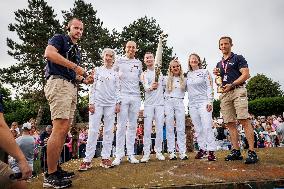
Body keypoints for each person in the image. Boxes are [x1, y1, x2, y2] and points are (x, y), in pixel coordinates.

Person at [44, 18, 93, 188]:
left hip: (70, 87)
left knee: (64, 130)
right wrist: (74, 67)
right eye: (76, 28)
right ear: (69, 28)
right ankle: (49, 176)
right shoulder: (60, 39)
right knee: (58, 128)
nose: (78, 31)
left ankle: (55, 169)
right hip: (58, 84)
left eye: (81, 29)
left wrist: (85, 79)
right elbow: (49, 53)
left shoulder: (77, 49)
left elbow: (74, 74)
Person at [213, 36, 258, 164]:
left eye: (226, 44)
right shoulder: (219, 64)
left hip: (238, 90)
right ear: (219, 47)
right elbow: (221, 81)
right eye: (221, 44)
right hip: (225, 94)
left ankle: (252, 152)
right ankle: (236, 151)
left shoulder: (238, 58)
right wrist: (217, 75)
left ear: (231, 45)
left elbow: (246, 74)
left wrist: (232, 84)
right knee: (230, 123)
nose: (223, 46)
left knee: (244, 119)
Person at [79, 48, 120, 171]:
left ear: (113, 59)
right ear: (103, 57)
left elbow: (118, 89)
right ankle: (87, 160)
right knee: (93, 130)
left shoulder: (115, 73)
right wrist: (91, 103)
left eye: (110, 56)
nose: (108, 58)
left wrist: (118, 103)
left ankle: (105, 158)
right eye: (106, 56)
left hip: (111, 104)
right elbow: (92, 87)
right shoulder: (97, 70)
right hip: (97, 103)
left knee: (108, 131)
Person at [112, 41, 142, 165]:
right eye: (129, 47)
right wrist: (116, 100)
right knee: (121, 126)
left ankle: (130, 154)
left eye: (133, 47)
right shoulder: (119, 61)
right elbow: (113, 77)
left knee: (132, 126)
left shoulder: (139, 63)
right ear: (125, 48)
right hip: (122, 97)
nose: (131, 49)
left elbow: (141, 79)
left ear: (136, 49)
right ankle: (119, 155)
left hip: (135, 97)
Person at [186, 53, 217, 161]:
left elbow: (209, 87)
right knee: (198, 128)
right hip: (192, 104)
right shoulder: (187, 75)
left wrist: (210, 101)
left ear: (199, 61)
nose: (193, 61)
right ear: (189, 62)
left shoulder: (205, 72)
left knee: (207, 126)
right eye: (191, 59)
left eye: (195, 59)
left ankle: (211, 151)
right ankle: (202, 149)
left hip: (204, 102)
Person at [0, 93, 32, 189]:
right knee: (19, 185)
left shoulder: (19, 139)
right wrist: (21, 159)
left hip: (15, 165)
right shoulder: (32, 139)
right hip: (27, 164)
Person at [140, 52, 165, 163]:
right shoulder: (143, 74)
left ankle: (158, 151)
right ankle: (146, 153)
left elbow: (165, 85)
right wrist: (151, 87)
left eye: (151, 57)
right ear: (144, 60)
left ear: (154, 59)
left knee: (159, 128)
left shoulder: (160, 73)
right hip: (148, 105)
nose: (149, 59)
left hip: (160, 104)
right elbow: (145, 87)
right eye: (147, 58)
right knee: (147, 129)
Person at [164, 59, 188, 160]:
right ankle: (171, 151)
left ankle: (182, 151)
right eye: (173, 67)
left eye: (177, 66)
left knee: (181, 127)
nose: (176, 68)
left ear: (180, 67)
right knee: (169, 127)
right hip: (168, 102)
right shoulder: (165, 79)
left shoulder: (184, 79)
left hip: (179, 102)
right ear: (170, 68)